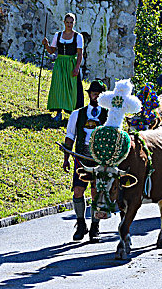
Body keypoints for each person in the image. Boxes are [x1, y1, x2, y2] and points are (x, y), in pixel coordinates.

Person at [63, 80, 108, 242]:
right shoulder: (77, 114)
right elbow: (70, 137)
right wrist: (66, 159)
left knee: (96, 192)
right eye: (93, 93)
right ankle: (81, 224)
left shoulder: (108, 114)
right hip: (81, 156)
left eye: (98, 94)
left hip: (100, 158)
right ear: (89, 94)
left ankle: (95, 226)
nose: (95, 96)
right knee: (78, 190)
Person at [42, 13, 84, 121]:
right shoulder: (58, 35)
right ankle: (58, 113)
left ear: (74, 23)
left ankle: (72, 113)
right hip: (60, 63)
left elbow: (79, 54)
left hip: (71, 63)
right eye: (67, 22)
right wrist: (46, 45)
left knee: (71, 88)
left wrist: (77, 67)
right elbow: (52, 50)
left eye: (71, 22)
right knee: (58, 87)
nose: (69, 24)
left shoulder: (78, 36)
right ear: (64, 22)